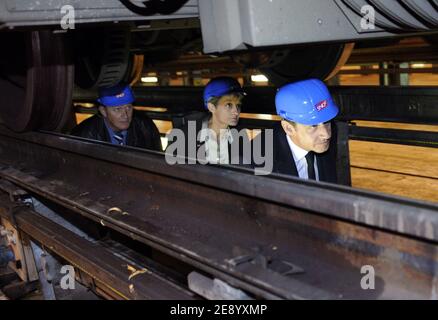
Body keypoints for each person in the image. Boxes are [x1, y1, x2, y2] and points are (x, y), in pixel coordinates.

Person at [254, 79, 338, 182]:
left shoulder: (328, 136)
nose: (326, 134)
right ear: (289, 128)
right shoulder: (258, 164)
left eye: (326, 121)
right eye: (313, 126)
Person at [166, 77, 251, 165]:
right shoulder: (183, 136)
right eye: (228, 105)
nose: (236, 111)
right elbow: (168, 170)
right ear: (211, 107)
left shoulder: (239, 135)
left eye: (238, 105)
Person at [71, 83, 162, 151]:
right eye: (117, 109)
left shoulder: (146, 127)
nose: (125, 115)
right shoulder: (83, 135)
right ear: (103, 111)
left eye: (128, 107)